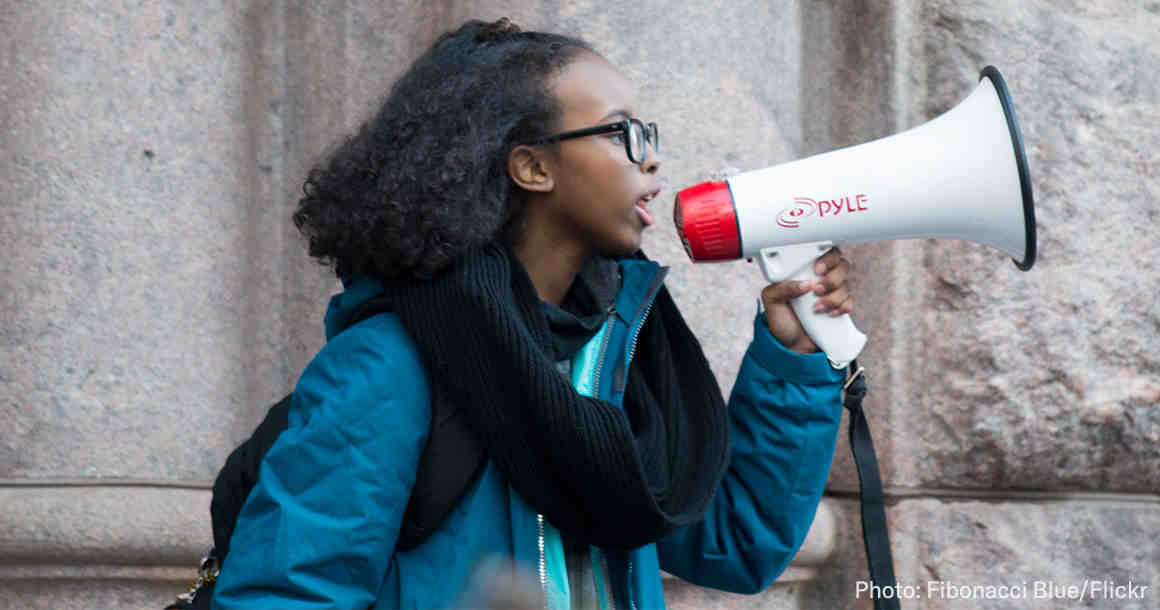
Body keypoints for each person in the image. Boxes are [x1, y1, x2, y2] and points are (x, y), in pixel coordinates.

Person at [211, 17, 854, 610]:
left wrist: (791, 357)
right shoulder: (388, 364)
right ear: (533, 166)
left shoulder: (616, 355)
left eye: (647, 135)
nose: (650, 157)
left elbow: (734, 545)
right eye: (620, 132)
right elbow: (287, 595)